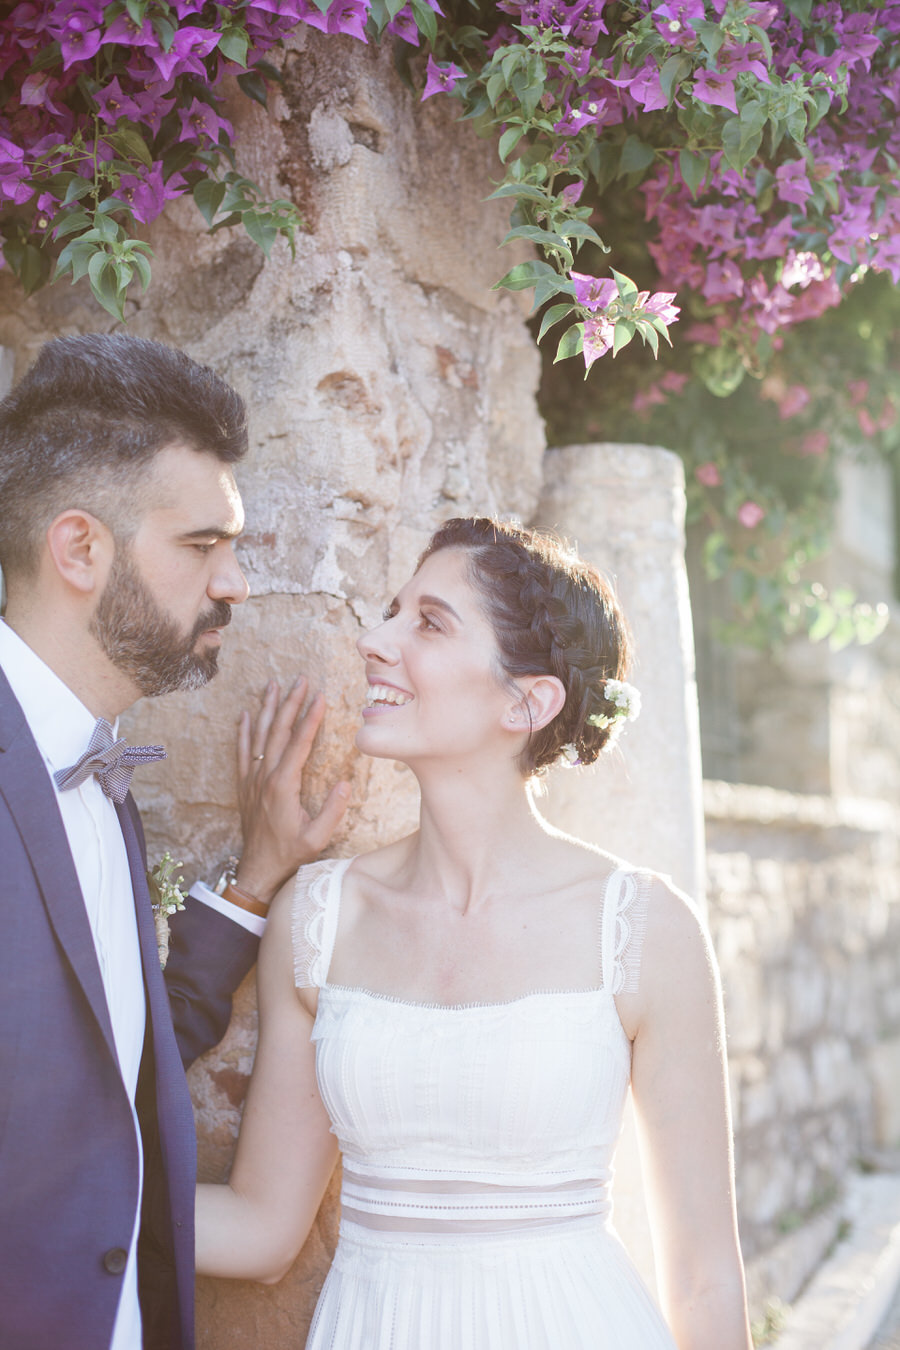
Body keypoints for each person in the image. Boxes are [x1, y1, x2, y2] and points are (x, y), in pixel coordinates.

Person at [195, 516, 753, 1349]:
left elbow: (704, 1277)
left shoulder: (641, 930)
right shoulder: (317, 919)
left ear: (528, 701)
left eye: (428, 622)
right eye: (392, 612)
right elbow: (263, 1230)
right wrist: (49, 1186)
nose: (376, 640)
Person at [0, 332, 349, 1350]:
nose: (234, 583)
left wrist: (253, 882)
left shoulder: (96, 769)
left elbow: (100, 1059)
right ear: (79, 549)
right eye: (203, 546)